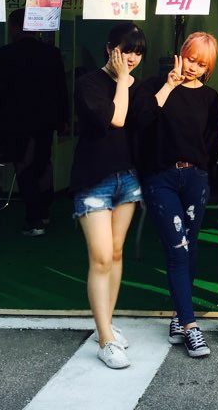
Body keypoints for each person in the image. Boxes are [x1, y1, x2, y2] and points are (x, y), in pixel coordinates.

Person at [132, 32, 218, 359]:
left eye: (202, 63)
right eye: (190, 59)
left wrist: (208, 178)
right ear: (180, 54)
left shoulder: (210, 97)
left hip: (196, 177)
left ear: (209, 67)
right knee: (178, 247)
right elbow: (140, 123)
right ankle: (190, 325)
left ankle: (178, 315)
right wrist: (168, 86)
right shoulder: (154, 86)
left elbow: (211, 142)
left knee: (189, 245)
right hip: (161, 178)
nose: (194, 67)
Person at [71, 22, 146, 369]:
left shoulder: (135, 85)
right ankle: (104, 340)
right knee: (101, 257)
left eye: (138, 52)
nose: (131, 57)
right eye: (126, 50)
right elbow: (116, 119)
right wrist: (122, 82)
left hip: (127, 179)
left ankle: (107, 325)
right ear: (109, 48)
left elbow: (144, 123)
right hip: (94, 180)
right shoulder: (89, 83)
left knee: (116, 253)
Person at [0, 8, 68, 235]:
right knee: (43, 164)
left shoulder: (6, 53)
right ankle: (43, 212)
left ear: (15, 27)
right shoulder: (51, 53)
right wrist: (62, 119)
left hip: (16, 122)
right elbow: (61, 89)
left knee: (24, 166)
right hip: (45, 121)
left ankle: (34, 218)